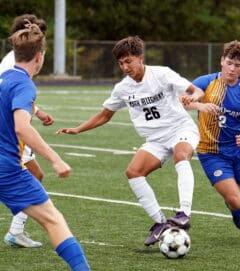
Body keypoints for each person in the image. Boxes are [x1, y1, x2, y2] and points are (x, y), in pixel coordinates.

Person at [56, 35, 217, 246]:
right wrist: (78, 129)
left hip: (180, 129)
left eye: (128, 61)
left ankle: (184, 213)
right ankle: (160, 222)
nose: (124, 67)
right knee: (133, 172)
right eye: (121, 63)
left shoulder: (161, 74)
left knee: (181, 155)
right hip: (155, 139)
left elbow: (195, 90)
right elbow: (105, 115)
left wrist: (194, 98)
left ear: (140, 58)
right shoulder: (123, 88)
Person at [0, 21, 90, 270]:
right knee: (54, 220)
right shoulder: (24, 84)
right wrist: (55, 158)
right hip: (6, 169)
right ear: (39, 57)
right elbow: (21, 126)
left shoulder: (3, 77)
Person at [187, 40, 240, 245]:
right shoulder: (205, 82)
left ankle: (236, 209)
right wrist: (201, 104)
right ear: (222, 61)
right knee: (235, 198)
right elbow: (184, 101)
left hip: (239, 151)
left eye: (238, 65)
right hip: (211, 153)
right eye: (230, 63)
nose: (233, 69)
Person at [0, 14, 54, 248]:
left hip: (11, 130)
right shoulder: (14, 63)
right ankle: (15, 231)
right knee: (31, 176)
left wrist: (38, 112)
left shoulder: (14, 59)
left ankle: (16, 230)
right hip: (9, 135)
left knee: (35, 176)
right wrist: (56, 159)